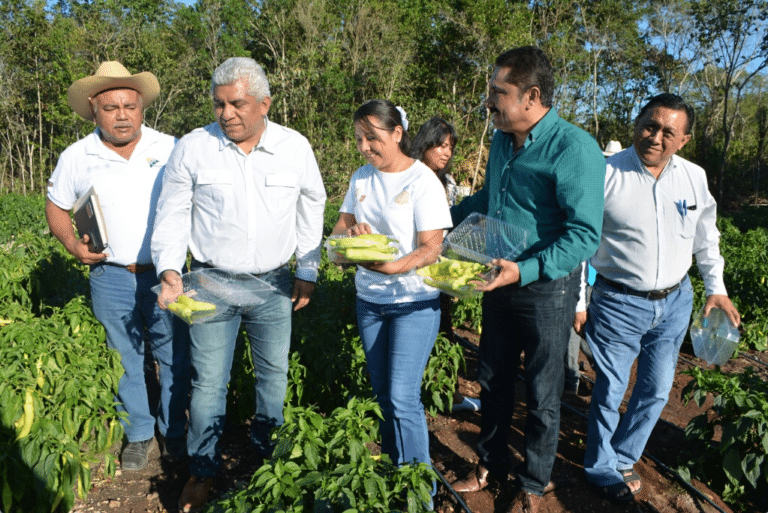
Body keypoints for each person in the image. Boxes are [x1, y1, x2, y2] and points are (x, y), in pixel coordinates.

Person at [151, 57, 327, 512]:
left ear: (265, 104)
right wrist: (170, 269)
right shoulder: (194, 147)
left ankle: (272, 462)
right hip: (209, 282)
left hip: (273, 285)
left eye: (238, 103)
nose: (226, 113)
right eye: (218, 104)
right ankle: (202, 472)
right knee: (208, 382)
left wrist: (308, 270)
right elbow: (171, 213)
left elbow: (312, 206)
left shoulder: (294, 147)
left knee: (273, 375)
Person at [450, 46, 606, 513]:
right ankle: (490, 464)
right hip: (498, 279)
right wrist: (439, 221)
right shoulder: (502, 139)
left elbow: (583, 235)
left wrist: (526, 269)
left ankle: (534, 484)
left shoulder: (574, 148)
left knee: (542, 393)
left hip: (545, 289)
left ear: (531, 96)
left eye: (499, 92)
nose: (489, 101)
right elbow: (487, 201)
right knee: (493, 380)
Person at [575, 93, 741, 503]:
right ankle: (599, 467)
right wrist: (579, 301)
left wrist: (715, 288)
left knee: (656, 389)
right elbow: (580, 242)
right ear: (637, 124)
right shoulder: (605, 173)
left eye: (668, 131)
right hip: (617, 301)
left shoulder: (694, 178)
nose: (655, 137)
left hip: (675, 301)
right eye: (649, 125)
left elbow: (707, 238)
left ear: (683, 140)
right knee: (610, 390)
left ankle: (624, 455)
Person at [45, 61, 190, 472]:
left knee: (174, 353)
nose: (122, 115)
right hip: (110, 275)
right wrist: (73, 243)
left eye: (130, 105)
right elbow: (55, 207)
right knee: (124, 357)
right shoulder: (77, 156)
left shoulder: (170, 147)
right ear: (94, 110)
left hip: (166, 273)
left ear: (142, 107)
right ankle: (140, 435)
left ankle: (174, 433)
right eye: (111, 108)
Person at [331, 100, 452, 501]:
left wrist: (394, 267)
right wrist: (352, 243)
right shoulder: (361, 180)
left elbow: (432, 248)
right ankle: (394, 475)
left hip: (414, 302)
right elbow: (336, 243)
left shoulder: (422, 181)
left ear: (397, 133)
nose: (365, 147)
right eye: (360, 139)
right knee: (384, 397)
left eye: (373, 138)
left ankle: (421, 493)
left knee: (403, 397)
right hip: (370, 301)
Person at [410, 117, 480, 413]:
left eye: (450, 146)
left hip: (438, 268)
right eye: (439, 145)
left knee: (444, 332)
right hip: (415, 267)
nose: (446, 152)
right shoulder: (412, 177)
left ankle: (445, 394)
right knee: (431, 332)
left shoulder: (444, 182)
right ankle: (437, 396)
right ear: (424, 144)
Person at [564, 140, 621, 395]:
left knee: (575, 330)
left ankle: (572, 381)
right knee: (580, 329)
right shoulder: (597, 191)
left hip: (593, 279)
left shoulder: (607, 195)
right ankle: (590, 372)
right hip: (591, 277)